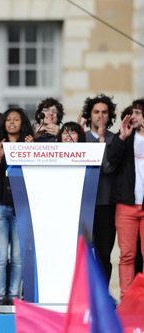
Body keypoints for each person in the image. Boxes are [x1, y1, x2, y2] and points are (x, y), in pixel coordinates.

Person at [0, 108, 33, 305]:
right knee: (1, 256)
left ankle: (14, 296)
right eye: (9, 119)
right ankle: (0, 296)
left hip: (21, 206)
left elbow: (34, 176)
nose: (12, 123)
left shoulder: (28, 145)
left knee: (18, 256)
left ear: (23, 124)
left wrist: (32, 152)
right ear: (3, 123)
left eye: (16, 119)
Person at [107, 99, 144, 298]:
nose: (133, 116)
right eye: (132, 112)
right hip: (126, 205)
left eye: (137, 113)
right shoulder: (125, 138)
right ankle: (128, 300)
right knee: (127, 256)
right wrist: (122, 137)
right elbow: (111, 160)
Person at [80, 94, 117, 285]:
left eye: (104, 112)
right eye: (96, 112)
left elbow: (109, 168)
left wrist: (102, 141)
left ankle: (102, 296)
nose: (100, 116)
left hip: (106, 204)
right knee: (82, 255)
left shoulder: (116, 140)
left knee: (103, 255)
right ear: (89, 115)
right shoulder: (80, 138)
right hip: (82, 205)